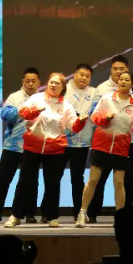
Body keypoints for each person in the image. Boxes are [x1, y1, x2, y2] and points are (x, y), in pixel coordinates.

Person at [4, 73, 88, 228]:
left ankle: (52, 216)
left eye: (57, 83)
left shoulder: (66, 106)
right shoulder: (36, 98)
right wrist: (35, 111)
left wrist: (81, 122)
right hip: (32, 147)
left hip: (54, 149)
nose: (53, 85)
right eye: (51, 82)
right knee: (24, 182)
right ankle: (16, 215)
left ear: (62, 87)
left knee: (53, 184)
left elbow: (73, 127)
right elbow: (23, 114)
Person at [76, 71, 133, 227]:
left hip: (121, 148)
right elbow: (94, 118)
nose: (122, 81)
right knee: (93, 180)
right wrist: (106, 118)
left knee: (119, 183)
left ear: (132, 84)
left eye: (126, 80)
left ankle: (120, 217)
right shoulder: (107, 98)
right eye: (121, 79)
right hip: (101, 145)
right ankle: (82, 213)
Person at [90, 55, 133, 216]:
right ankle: (92, 212)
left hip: (128, 143)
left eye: (121, 69)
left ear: (127, 70)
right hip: (104, 143)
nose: (118, 72)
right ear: (111, 70)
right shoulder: (102, 89)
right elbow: (94, 114)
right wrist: (105, 118)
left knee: (126, 180)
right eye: (115, 69)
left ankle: (125, 214)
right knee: (99, 179)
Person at [55, 63, 101, 223]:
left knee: (77, 179)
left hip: (82, 144)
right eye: (81, 74)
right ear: (74, 74)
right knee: (55, 177)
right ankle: (50, 212)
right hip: (62, 141)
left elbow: (96, 113)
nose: (84, 78)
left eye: (88, 76)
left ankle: (78, 212)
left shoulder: (94, 92)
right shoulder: (64, 90)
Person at [0, 67, 41, 222]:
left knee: (30, 182)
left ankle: (29, 214)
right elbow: (4, 114)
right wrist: (21, 111)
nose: (30, 84)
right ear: (23, 82)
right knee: (3, 179)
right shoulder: (14, 97)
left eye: (33, 81)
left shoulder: (42, 98)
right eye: (28, 81)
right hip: (12, 145)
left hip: (33, 146)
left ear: (38, 82)